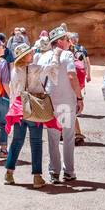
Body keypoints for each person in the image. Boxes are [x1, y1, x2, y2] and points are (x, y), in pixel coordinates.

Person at [4, 42, 59, 188]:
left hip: (19, 108)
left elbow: (13, 89)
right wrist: (56, 55)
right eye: (30, 53)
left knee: (17, 141)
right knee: (36, 142)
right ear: (25, 56)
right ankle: (37, 177)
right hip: (34, 107)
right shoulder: (35, 68)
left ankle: (9, 174)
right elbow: (51, 68)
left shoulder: (15, 70)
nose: (32, 54)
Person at [40, 26, 82, 184]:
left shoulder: (43, 56)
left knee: (53, 138)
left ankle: (54, 172)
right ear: (59, 41)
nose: (68, 42)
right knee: (68, 138)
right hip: (65, 102)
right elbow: (72, 77)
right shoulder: (67, 55)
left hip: (49, 103)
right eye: (66, 39)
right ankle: (69, 171)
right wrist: (79, 98)